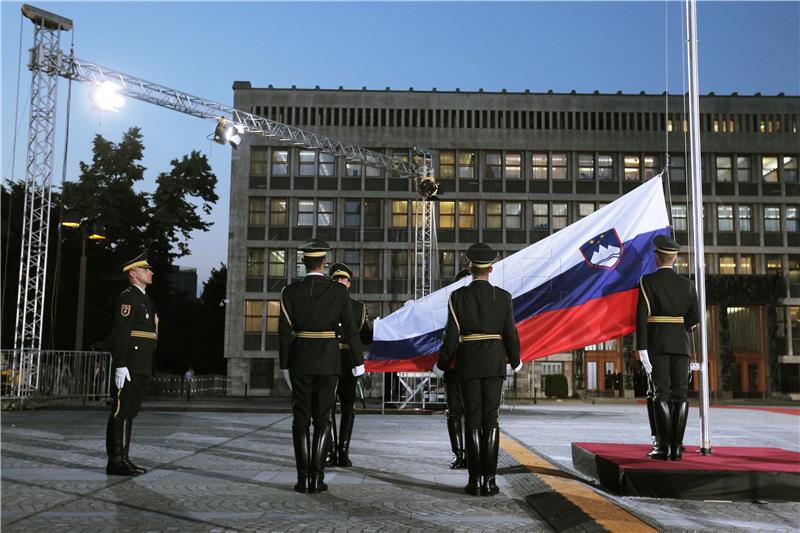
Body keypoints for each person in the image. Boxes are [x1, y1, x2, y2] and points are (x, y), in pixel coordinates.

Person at [433, 243, 522, 496]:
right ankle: (490, 481)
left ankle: (474, 481)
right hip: (494, 364)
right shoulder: (503, 297)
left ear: (469, 267)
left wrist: (440, 365)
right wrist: (516, 361)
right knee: (491, 420)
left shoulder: (457, 297)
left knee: (472, 420)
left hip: (468, 364)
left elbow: (450, 336)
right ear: (491, 268)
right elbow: (511, 334)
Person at [279, 240, 365, 494]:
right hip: (329, 360)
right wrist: (359, 361)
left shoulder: (289, 292)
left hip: (300, 360)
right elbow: (350, 329)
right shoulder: (338, 292)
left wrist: (284, 365)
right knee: (323, 418)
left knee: (300, 419)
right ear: (324, 262)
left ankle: (302, 477)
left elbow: (283, 333)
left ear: (303, 263)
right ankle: (317, 478)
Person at [636, 235, 699, 461]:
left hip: (657, 345)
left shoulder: (647, 281)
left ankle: (662, 447)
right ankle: (677, 447)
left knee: (660, 393)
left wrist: (642, 348)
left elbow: (641, 318)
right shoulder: (688, 285)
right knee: (680, 394)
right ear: (674, 258)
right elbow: (694, 319)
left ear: (657, 258)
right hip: (681, 345)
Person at [104, 253, 158, 476]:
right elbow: (121, 332)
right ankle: (115, 461)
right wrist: (120, 364)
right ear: (133, 274)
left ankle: (124, 458)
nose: (151, 272)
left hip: (142, 363)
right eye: (146, 270)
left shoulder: (145, 299)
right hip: (131, 363)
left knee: (130, 412)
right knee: (120, 411)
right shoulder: (128, 298)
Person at [325, 262, 373, 467]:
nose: (340, 282)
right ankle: (330, 450)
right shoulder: (331, 304)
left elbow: (366, 337)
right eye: (337, 279)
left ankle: (340, 450)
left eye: (342, 279)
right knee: (328, 407)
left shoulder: (356, 308)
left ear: (348, 283)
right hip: (333, 359)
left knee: (345, 407)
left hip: (343, 361)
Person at [444, 268, 471, 470]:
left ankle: (471, 453)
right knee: (454, 413)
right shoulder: (450, 302)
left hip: (470, 366)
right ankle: (459, 454)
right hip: (454, 367)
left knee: (472, 413)